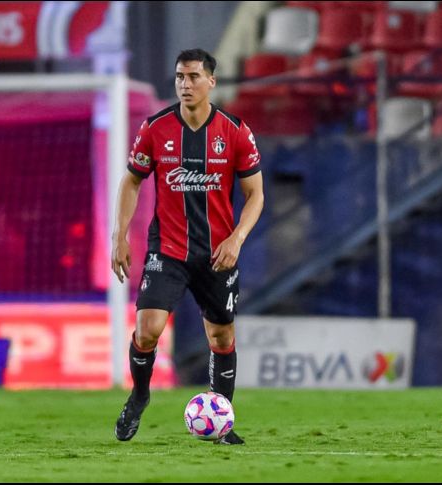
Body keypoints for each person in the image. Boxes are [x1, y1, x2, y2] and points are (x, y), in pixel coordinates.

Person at [111, 48, 264, 445]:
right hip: (169, 250)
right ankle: (140, 395)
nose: (185, 84)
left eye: (194, 76)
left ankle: (222, 422)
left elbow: (256, 195)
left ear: (211, 81)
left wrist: (236, 239)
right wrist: (119, 235)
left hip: (217, 254)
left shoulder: (235, 131)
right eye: (180, 76)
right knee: (148, 330)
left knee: (221, 337)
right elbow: (131, 181)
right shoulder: (155, 128)